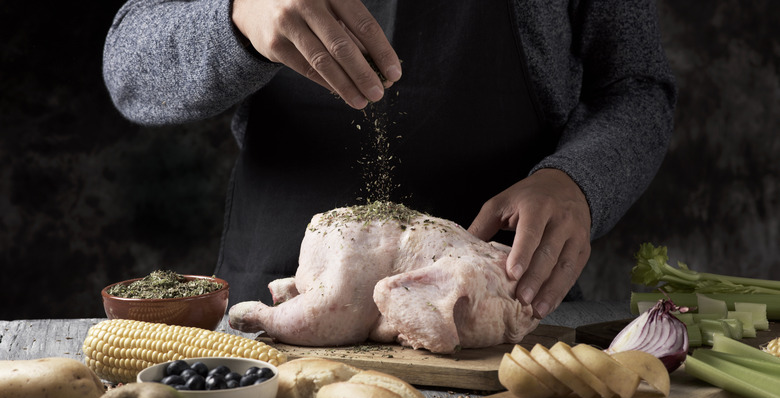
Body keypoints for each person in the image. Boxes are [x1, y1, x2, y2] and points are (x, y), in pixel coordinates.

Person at [103, 0, 676, 319]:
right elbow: (128, 68)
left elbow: (636, 85)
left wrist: (576, 182)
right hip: (282, 299)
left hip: (501, 300)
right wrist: (235, 17)